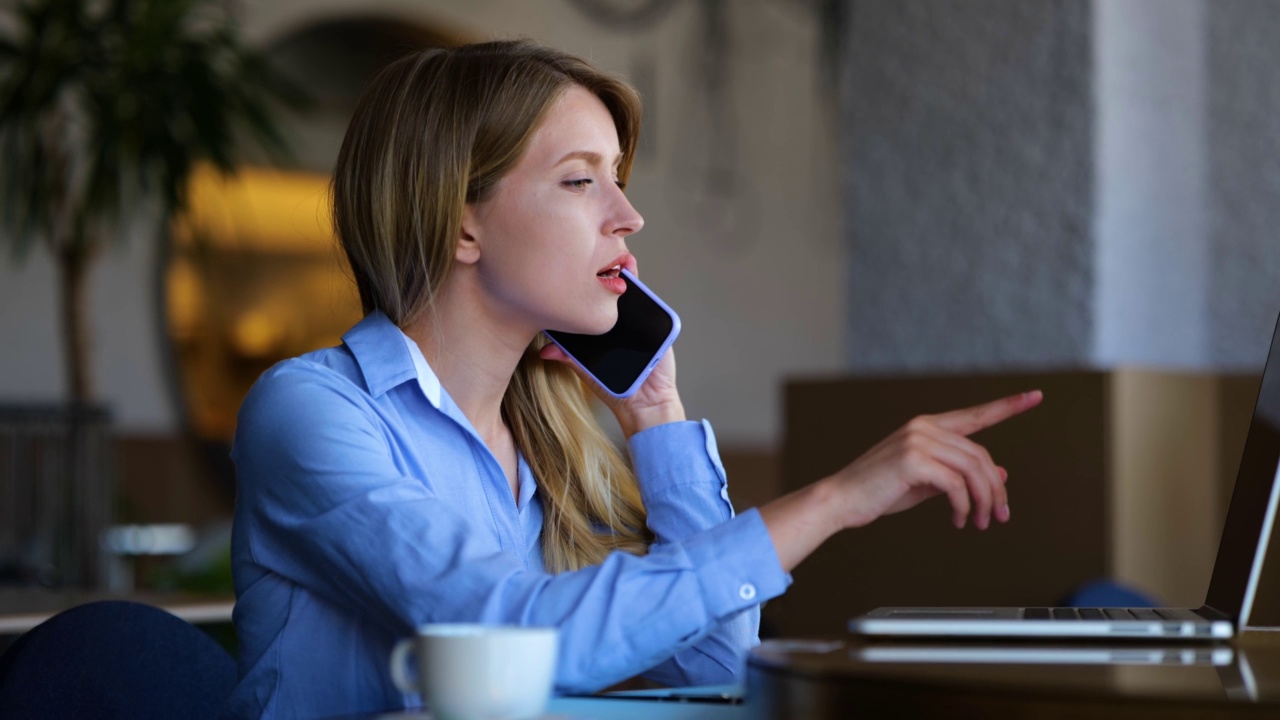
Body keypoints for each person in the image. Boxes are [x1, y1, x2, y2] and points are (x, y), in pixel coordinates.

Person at [222, 39, 1042, 719]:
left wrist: (657, 416)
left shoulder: (540, 442)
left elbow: (714, 670)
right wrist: (834, 501)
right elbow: (512, 634)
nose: (627, 214)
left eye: (619, 178)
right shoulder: (311, 411)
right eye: (582, 180)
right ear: (461, 222)